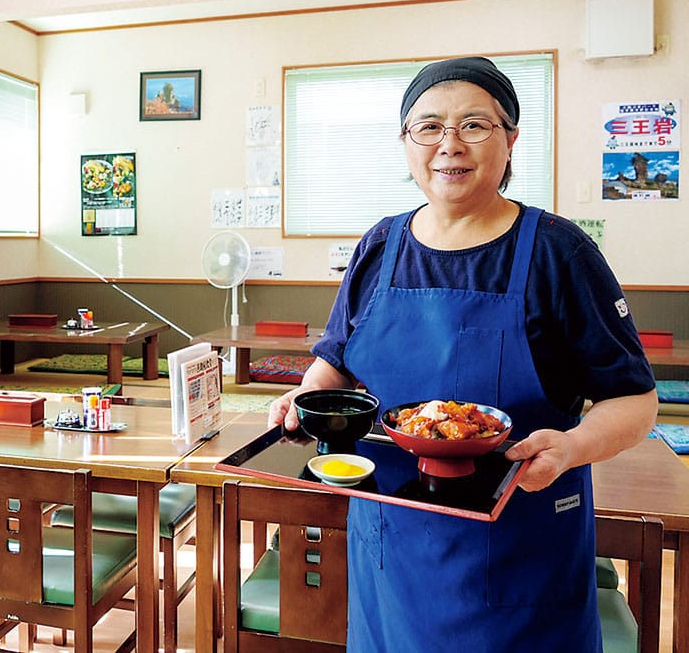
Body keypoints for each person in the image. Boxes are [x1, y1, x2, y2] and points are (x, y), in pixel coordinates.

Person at [268, 56, 657, 651]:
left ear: (510, 140)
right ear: (406, 142)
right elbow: (338, 358)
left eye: (474, 125)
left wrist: (574, 445)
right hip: (392, 547)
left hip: (519, 549)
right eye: (428, 127)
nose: (449, 144)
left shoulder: (561, 253)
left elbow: (634, 400)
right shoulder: (380, 244)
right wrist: (306, 395)